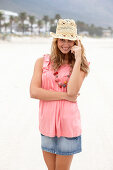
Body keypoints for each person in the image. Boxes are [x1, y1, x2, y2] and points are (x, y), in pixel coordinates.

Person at [30, 19, 90, 170]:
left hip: (68, 126)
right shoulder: (42, 62)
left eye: (70, 40)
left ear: (76, 42)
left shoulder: (82, 65)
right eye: (62, 39)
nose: (65, 44)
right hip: (47, 124)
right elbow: (34, 91)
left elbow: (72, 91)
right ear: (56, 41)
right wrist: (64, 96)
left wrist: (77, 60)